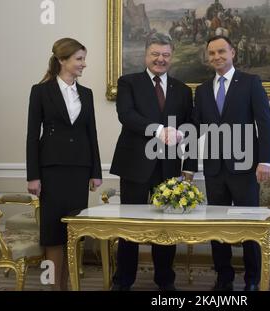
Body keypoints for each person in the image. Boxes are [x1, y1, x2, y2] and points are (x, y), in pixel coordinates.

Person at [109, 33, 197, 291]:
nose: (161, 59)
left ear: (172, 56)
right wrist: (159, 130)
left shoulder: (182, 89)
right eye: (155, 54)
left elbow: (191, 123)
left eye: (166, 55)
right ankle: (123, 281)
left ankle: (165, 281)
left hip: (169, 166)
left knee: (165, 229)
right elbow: (126, 115)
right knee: (131, 226)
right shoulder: (128, 82)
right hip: (134, 165)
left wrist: (185, 144)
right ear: (146, 55)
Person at [192, 36, 270, 291]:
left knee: (247, 225)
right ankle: (224, 278)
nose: (216, 56)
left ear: (233, 53)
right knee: (218, 227)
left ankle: (252, 279)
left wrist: (265, 160)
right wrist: (190, 163)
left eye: (221, 51)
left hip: (245, 166)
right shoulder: (203, 89)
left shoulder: (250, 83)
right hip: (214, 169)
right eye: (212, 53)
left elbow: (265, 122)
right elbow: (197, 130)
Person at [26, 38, 102, 290]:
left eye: (83, 58)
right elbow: (31, 135)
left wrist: (96, 172)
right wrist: (33, 176)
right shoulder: (41, 91)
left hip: (79, 171)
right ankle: (53, 286)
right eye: (79, 59)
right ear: (62, 60)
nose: (84, 64)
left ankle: (67, 285)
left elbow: (92, 134)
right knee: (52, 233)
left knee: (73, 232)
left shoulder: (87, 94)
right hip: (51, 171)